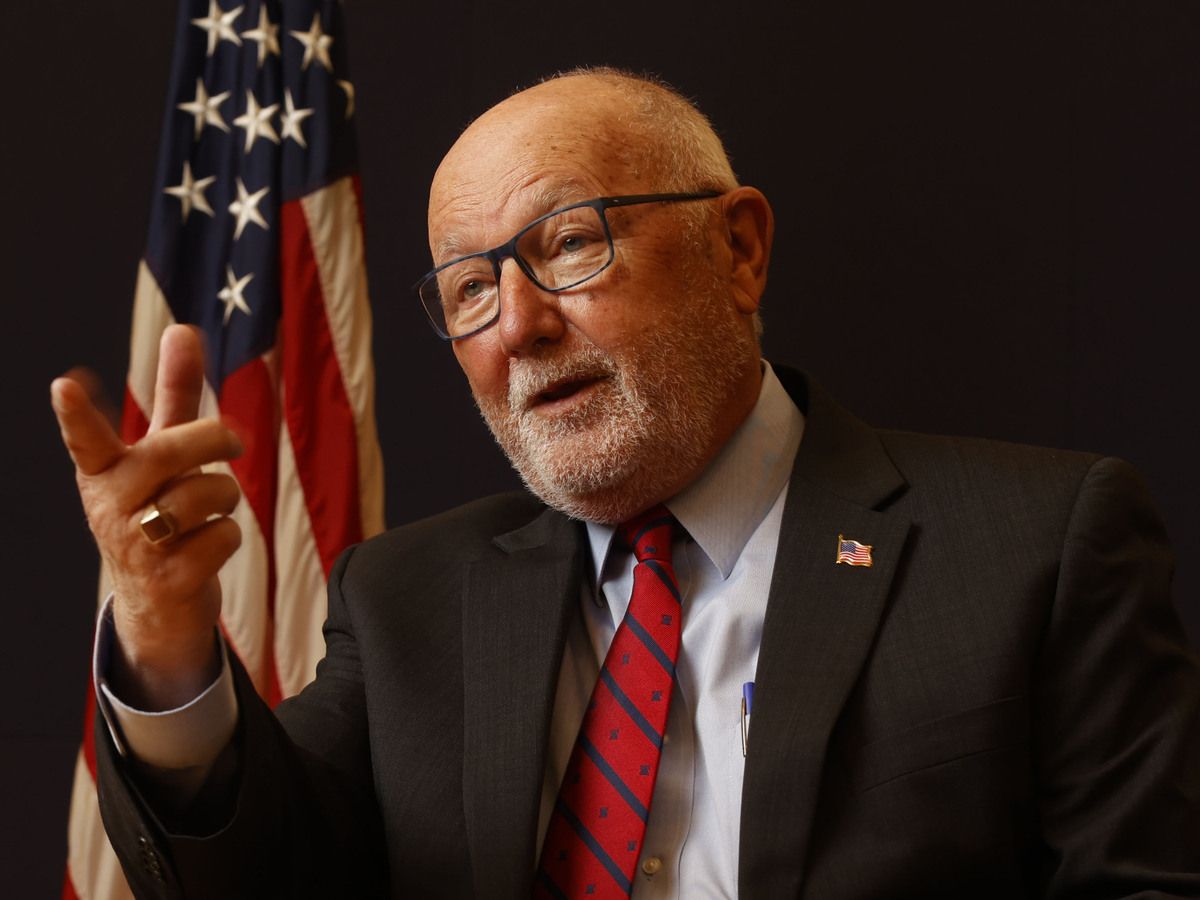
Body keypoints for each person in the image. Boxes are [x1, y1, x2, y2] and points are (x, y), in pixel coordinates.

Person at [51, 68, 1200, 899]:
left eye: (568, 244)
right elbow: (257, 880)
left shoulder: (1037, 545)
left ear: (737, 250)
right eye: (469, 291)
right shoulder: (405, 598)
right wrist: (160, 633)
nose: (522, 326)